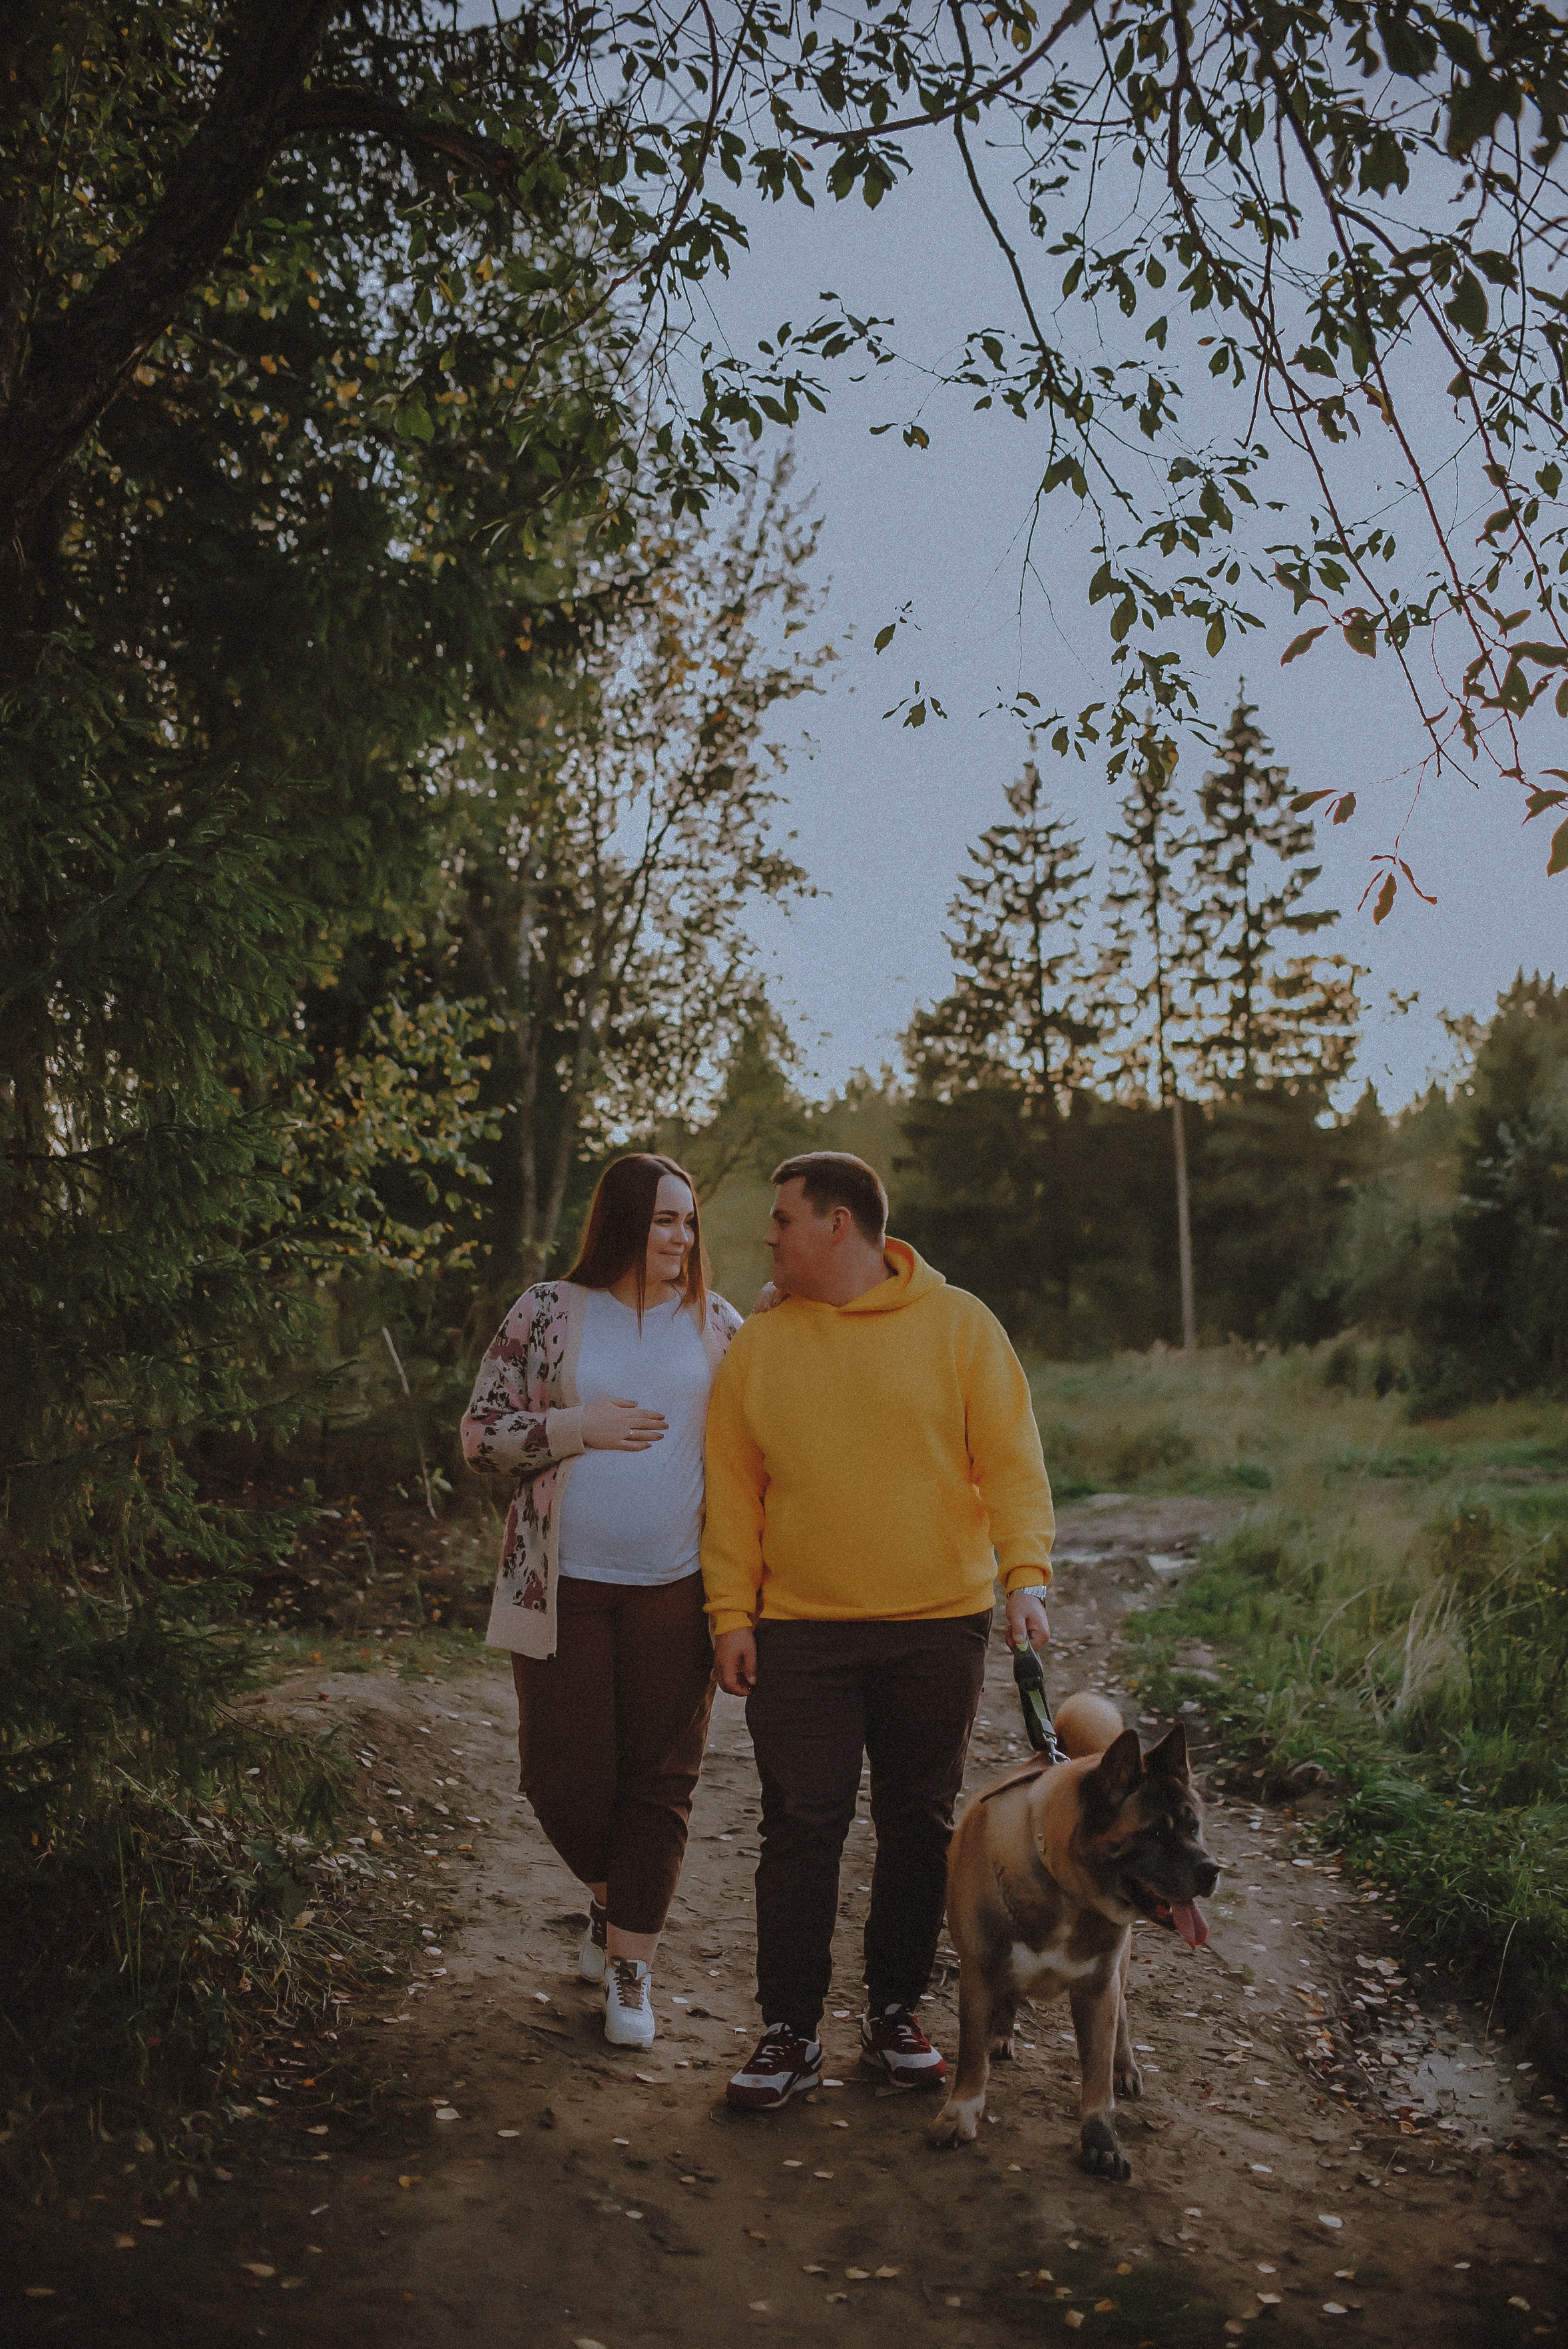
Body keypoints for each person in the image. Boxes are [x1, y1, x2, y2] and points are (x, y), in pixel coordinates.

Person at [701, 1151, 1054, 2110]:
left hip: (937, 1627)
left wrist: (1026, 1575)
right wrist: (730, 1614)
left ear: (838, 1225)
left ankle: (896, 2013)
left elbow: (1011, 1459)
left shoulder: (960, 1325)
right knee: (800, 1826)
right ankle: (789, 2032)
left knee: (918, 1825)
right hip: (799, 1633)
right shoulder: (760, 1348)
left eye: (783, 1219)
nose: (768, 1237)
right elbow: (731, 1493)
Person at [461, 1155, 740, 2049]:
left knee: (660, 1779)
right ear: (623, 1223)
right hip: (562, 1588)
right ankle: (615, 1901)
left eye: (690, 1222)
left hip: (677, 1589)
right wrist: (578, 1427)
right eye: (665, 1220)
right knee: (561, 1775)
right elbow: (479, 1438)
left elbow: (766, 1428)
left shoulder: (718, 1323)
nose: (683, 1238)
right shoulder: (549, 1311)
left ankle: (631, 1964)